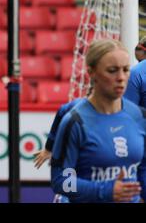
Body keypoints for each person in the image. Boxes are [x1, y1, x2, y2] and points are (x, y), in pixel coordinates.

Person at [50, 39, 146, 202]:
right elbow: (62, 182)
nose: (121, 77)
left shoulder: (139, 117)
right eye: (112, 70)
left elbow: (143, 169)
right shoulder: (75, 122)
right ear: (91, 72)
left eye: (125, 70)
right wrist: (105, 191)